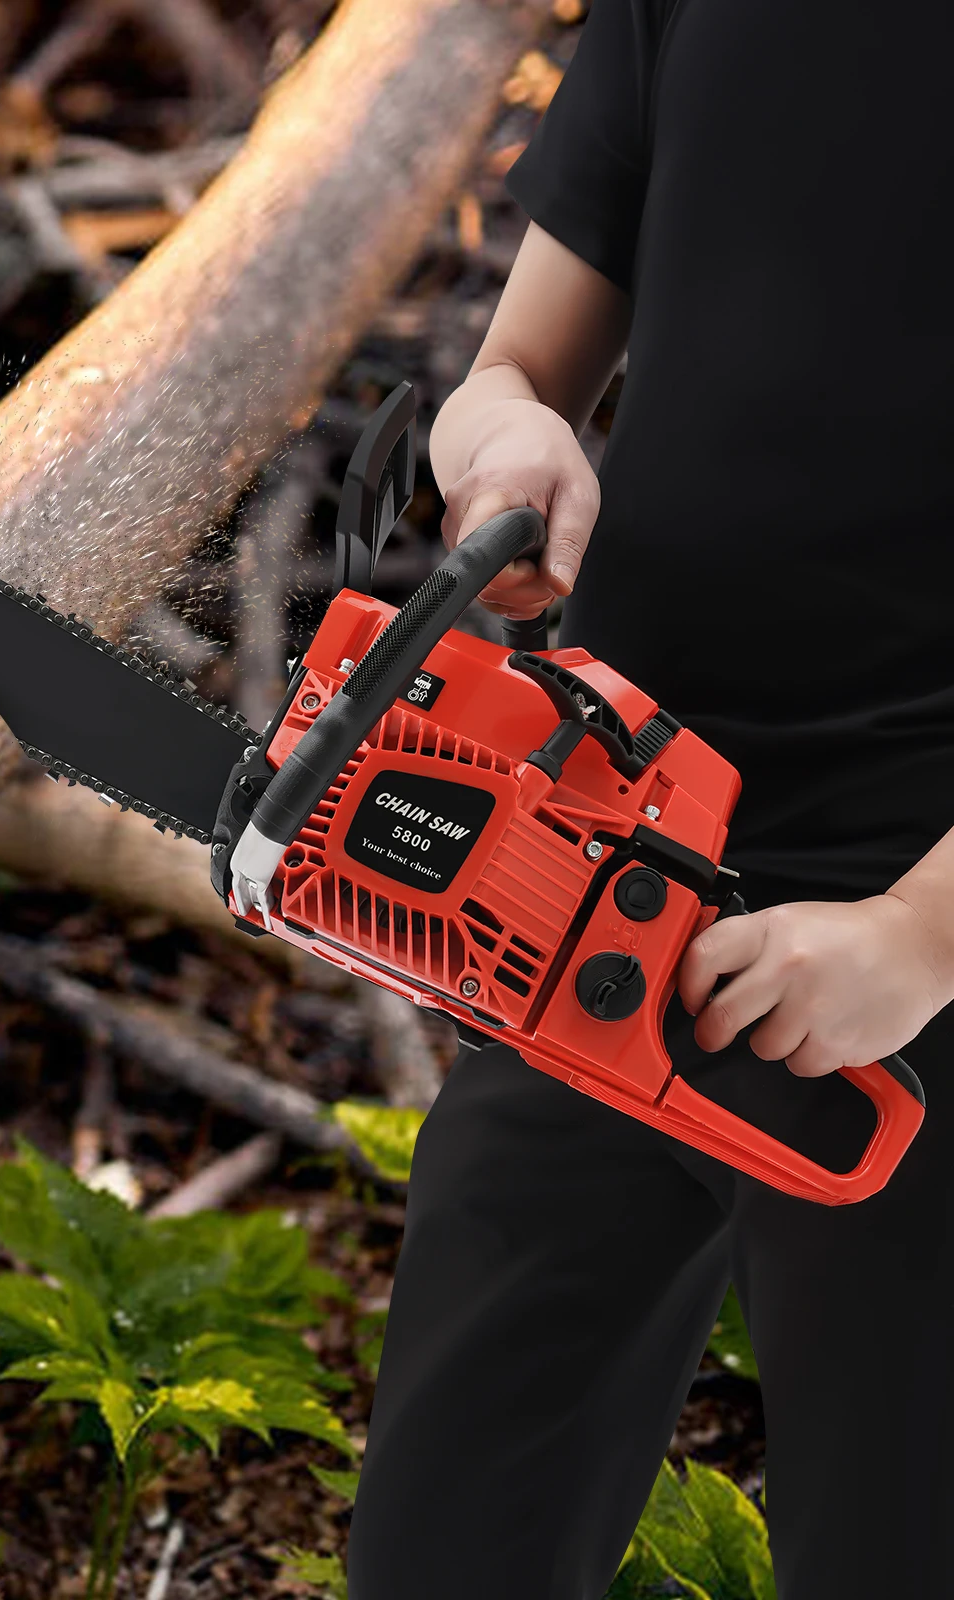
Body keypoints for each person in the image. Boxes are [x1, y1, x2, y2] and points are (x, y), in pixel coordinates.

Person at [343, 2, 954, 1596]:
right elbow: (521, 363)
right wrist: (505, 436)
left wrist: (921, 935)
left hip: (917, 897)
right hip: (615, 829)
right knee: (448, 1532)